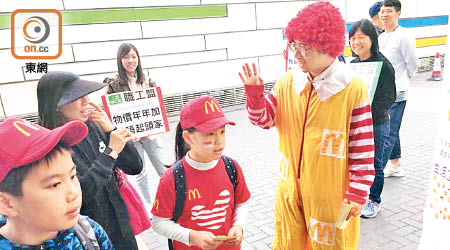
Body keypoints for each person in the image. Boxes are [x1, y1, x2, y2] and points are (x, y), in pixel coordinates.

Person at [239, 2, 375, 249]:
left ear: (328, 46)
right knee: (289, 242)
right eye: (294, 45)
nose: (297, 53)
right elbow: (263, 119)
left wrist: (357, 192)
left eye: (305, 47)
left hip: (330, 197)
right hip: (290, 190)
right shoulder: (288, 83)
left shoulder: (352, 88)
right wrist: (254, 97)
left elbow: (363, 151)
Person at [37, 71, 143, 250]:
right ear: (57, 106)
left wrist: (111, 129)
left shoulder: (94, 127)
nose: (86, 102)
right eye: (77, 97)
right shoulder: (51, 148)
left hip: (122, 231)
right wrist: (109, 155)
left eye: (86, 95)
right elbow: (79, 195)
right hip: (88, 238)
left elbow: (135, 166)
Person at [151, 95, 251, 249]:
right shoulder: (172, 178)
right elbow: (159, 222)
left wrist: (239, 226)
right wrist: (192, 236)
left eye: (222, 132)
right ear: (188, 138)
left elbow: (242, 202)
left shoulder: (232, 167)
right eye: (210, 134)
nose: (219, 141)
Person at [0, 117, 114, 249]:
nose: (74, 193)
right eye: (55, 184)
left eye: (72, 176)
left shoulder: (88, 231)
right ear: (7, 204)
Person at [105, 42, 169, 206]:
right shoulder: (113, 87)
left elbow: (156, 110)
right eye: (126, 57)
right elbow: (114, 115)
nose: (130, 61)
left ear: (138, 59)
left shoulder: (149, 82)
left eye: (133, 56)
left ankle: (172, 202)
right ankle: (147, 207)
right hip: (131, 138)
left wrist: (154, 128)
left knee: (164, 168)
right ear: (120, 60)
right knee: (140, 173)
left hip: (151, 135)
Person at [349, 19, 396, 218]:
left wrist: (369, 113)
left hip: (376, 123)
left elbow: (389, 96)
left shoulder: (383, 65)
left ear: (372, 39)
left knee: (375, 163)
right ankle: (356, 198)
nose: (356, 42)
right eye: (352, 38)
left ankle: (374, 200)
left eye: (361, 37)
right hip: (355, 124)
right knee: (357, 162)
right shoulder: (352, 65)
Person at [378, 0, 418, 177]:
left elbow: (413, 62)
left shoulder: (404, 36)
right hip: (382, 92)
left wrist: (404, 79)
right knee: (391, 128)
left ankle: (378, 169)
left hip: (398, 91)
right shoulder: (380, 37)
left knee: (389, 132)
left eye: (388, 11)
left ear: (398, 13)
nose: (384, 15)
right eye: (382, 11)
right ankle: (395, 165)